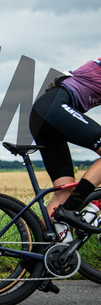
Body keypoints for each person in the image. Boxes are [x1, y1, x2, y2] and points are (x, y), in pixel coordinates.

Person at [29, 57, 101, 233]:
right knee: (68, 202)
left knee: (64, 191)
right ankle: (70, 208)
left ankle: (38, 246)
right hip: (54, 108)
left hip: (45, 113)